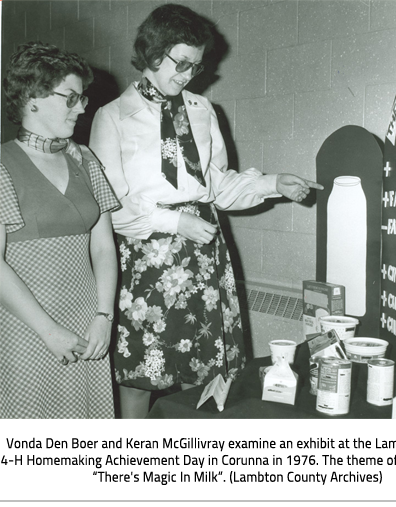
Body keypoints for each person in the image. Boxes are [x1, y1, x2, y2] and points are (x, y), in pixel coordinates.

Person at [89, 3, 322, 419]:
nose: (187, 75)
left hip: (202, 257)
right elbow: (111, 206)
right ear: (153, 53)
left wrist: (273, 184)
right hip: (147, 259)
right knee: (141, 375)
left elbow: (217, 185)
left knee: (207, 375)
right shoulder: (113, 116)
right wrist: (175, 220)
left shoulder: (200, 111)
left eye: (196, 67)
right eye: (181, 63)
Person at [0, 42, 120, 418]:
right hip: (27, 324)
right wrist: (48, 330)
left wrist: (104, 317)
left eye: (82, 97)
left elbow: (103, 248)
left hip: (89, 319)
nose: (83, 107)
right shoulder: (2, 163)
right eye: (71, 97)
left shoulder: (85, 158)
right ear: (33, 98)